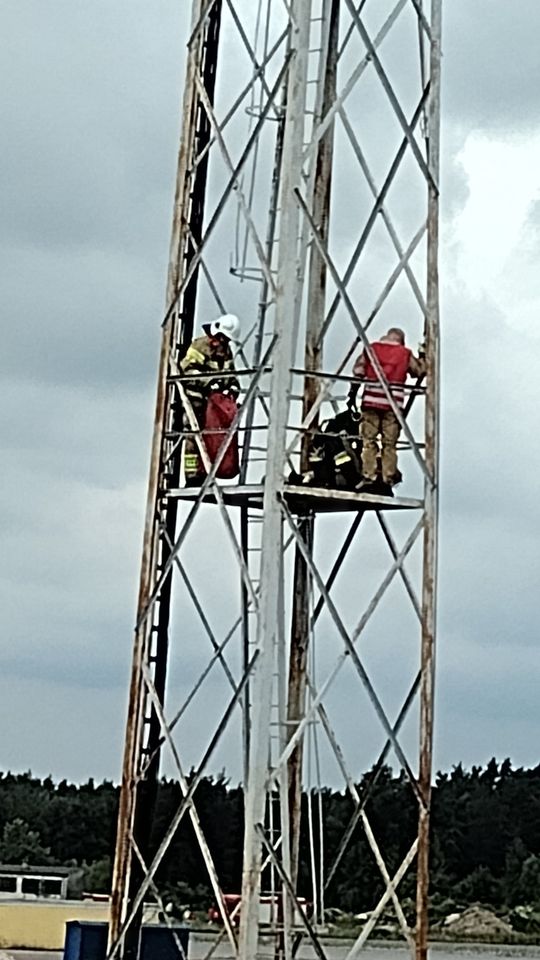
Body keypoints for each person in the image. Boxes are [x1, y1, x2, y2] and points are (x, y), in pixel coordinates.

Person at [352, 327, 425, 495]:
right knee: (389, 444)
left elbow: (359, 371)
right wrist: (424, 356)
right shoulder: (404, 354)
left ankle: (368, 475)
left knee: (368, 441)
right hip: (393, 406)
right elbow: (419, 371)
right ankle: (388, 477)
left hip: (371, 401)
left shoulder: (372, 349)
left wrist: (353, 392)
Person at [180, 314, 241, 485]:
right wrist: (209, 382)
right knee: (193, 435)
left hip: (215, 404)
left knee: (216, 435)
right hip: (196, 398)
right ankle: (193, 475)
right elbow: (187, 370)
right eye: (224, 338)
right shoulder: (200, 346)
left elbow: (231, 374)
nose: (225, 342)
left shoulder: (226, 350)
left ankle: (211, 470)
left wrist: (233, 387)